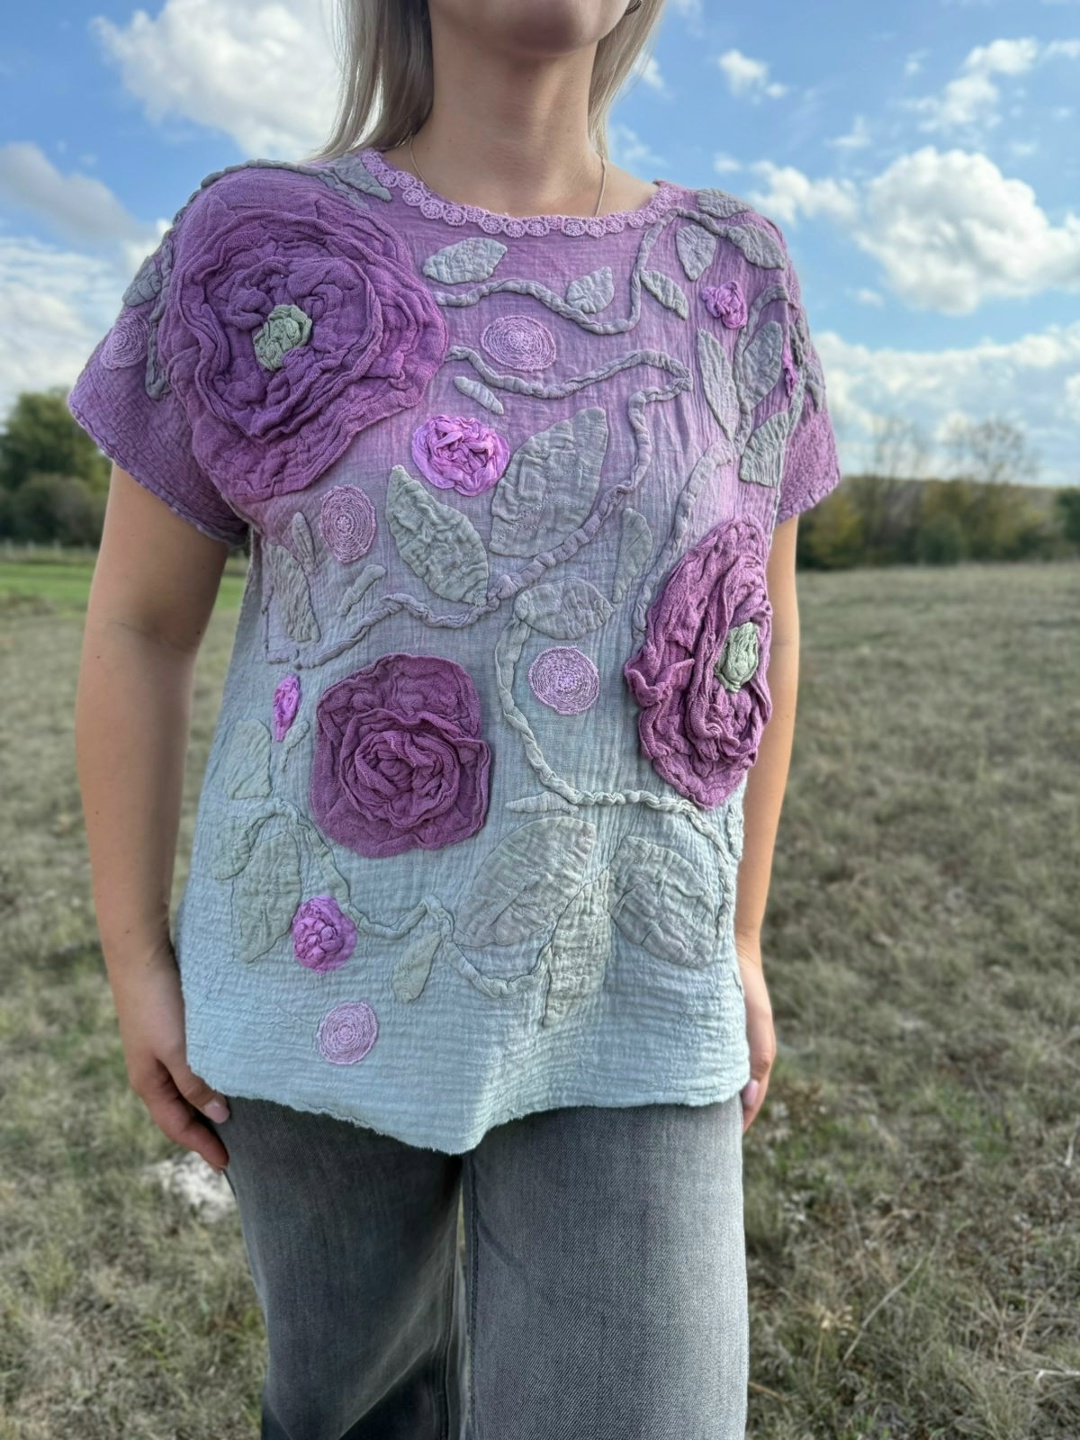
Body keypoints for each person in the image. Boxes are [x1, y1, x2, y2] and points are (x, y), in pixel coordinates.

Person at [69, 0, 844, 1435]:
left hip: (637, 979)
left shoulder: (735, 272)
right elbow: (139, 626)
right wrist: (132, 953)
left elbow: (759, 631)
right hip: (317, 980)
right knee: (357, 1413)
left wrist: (740, 937)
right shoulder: (259, 243)